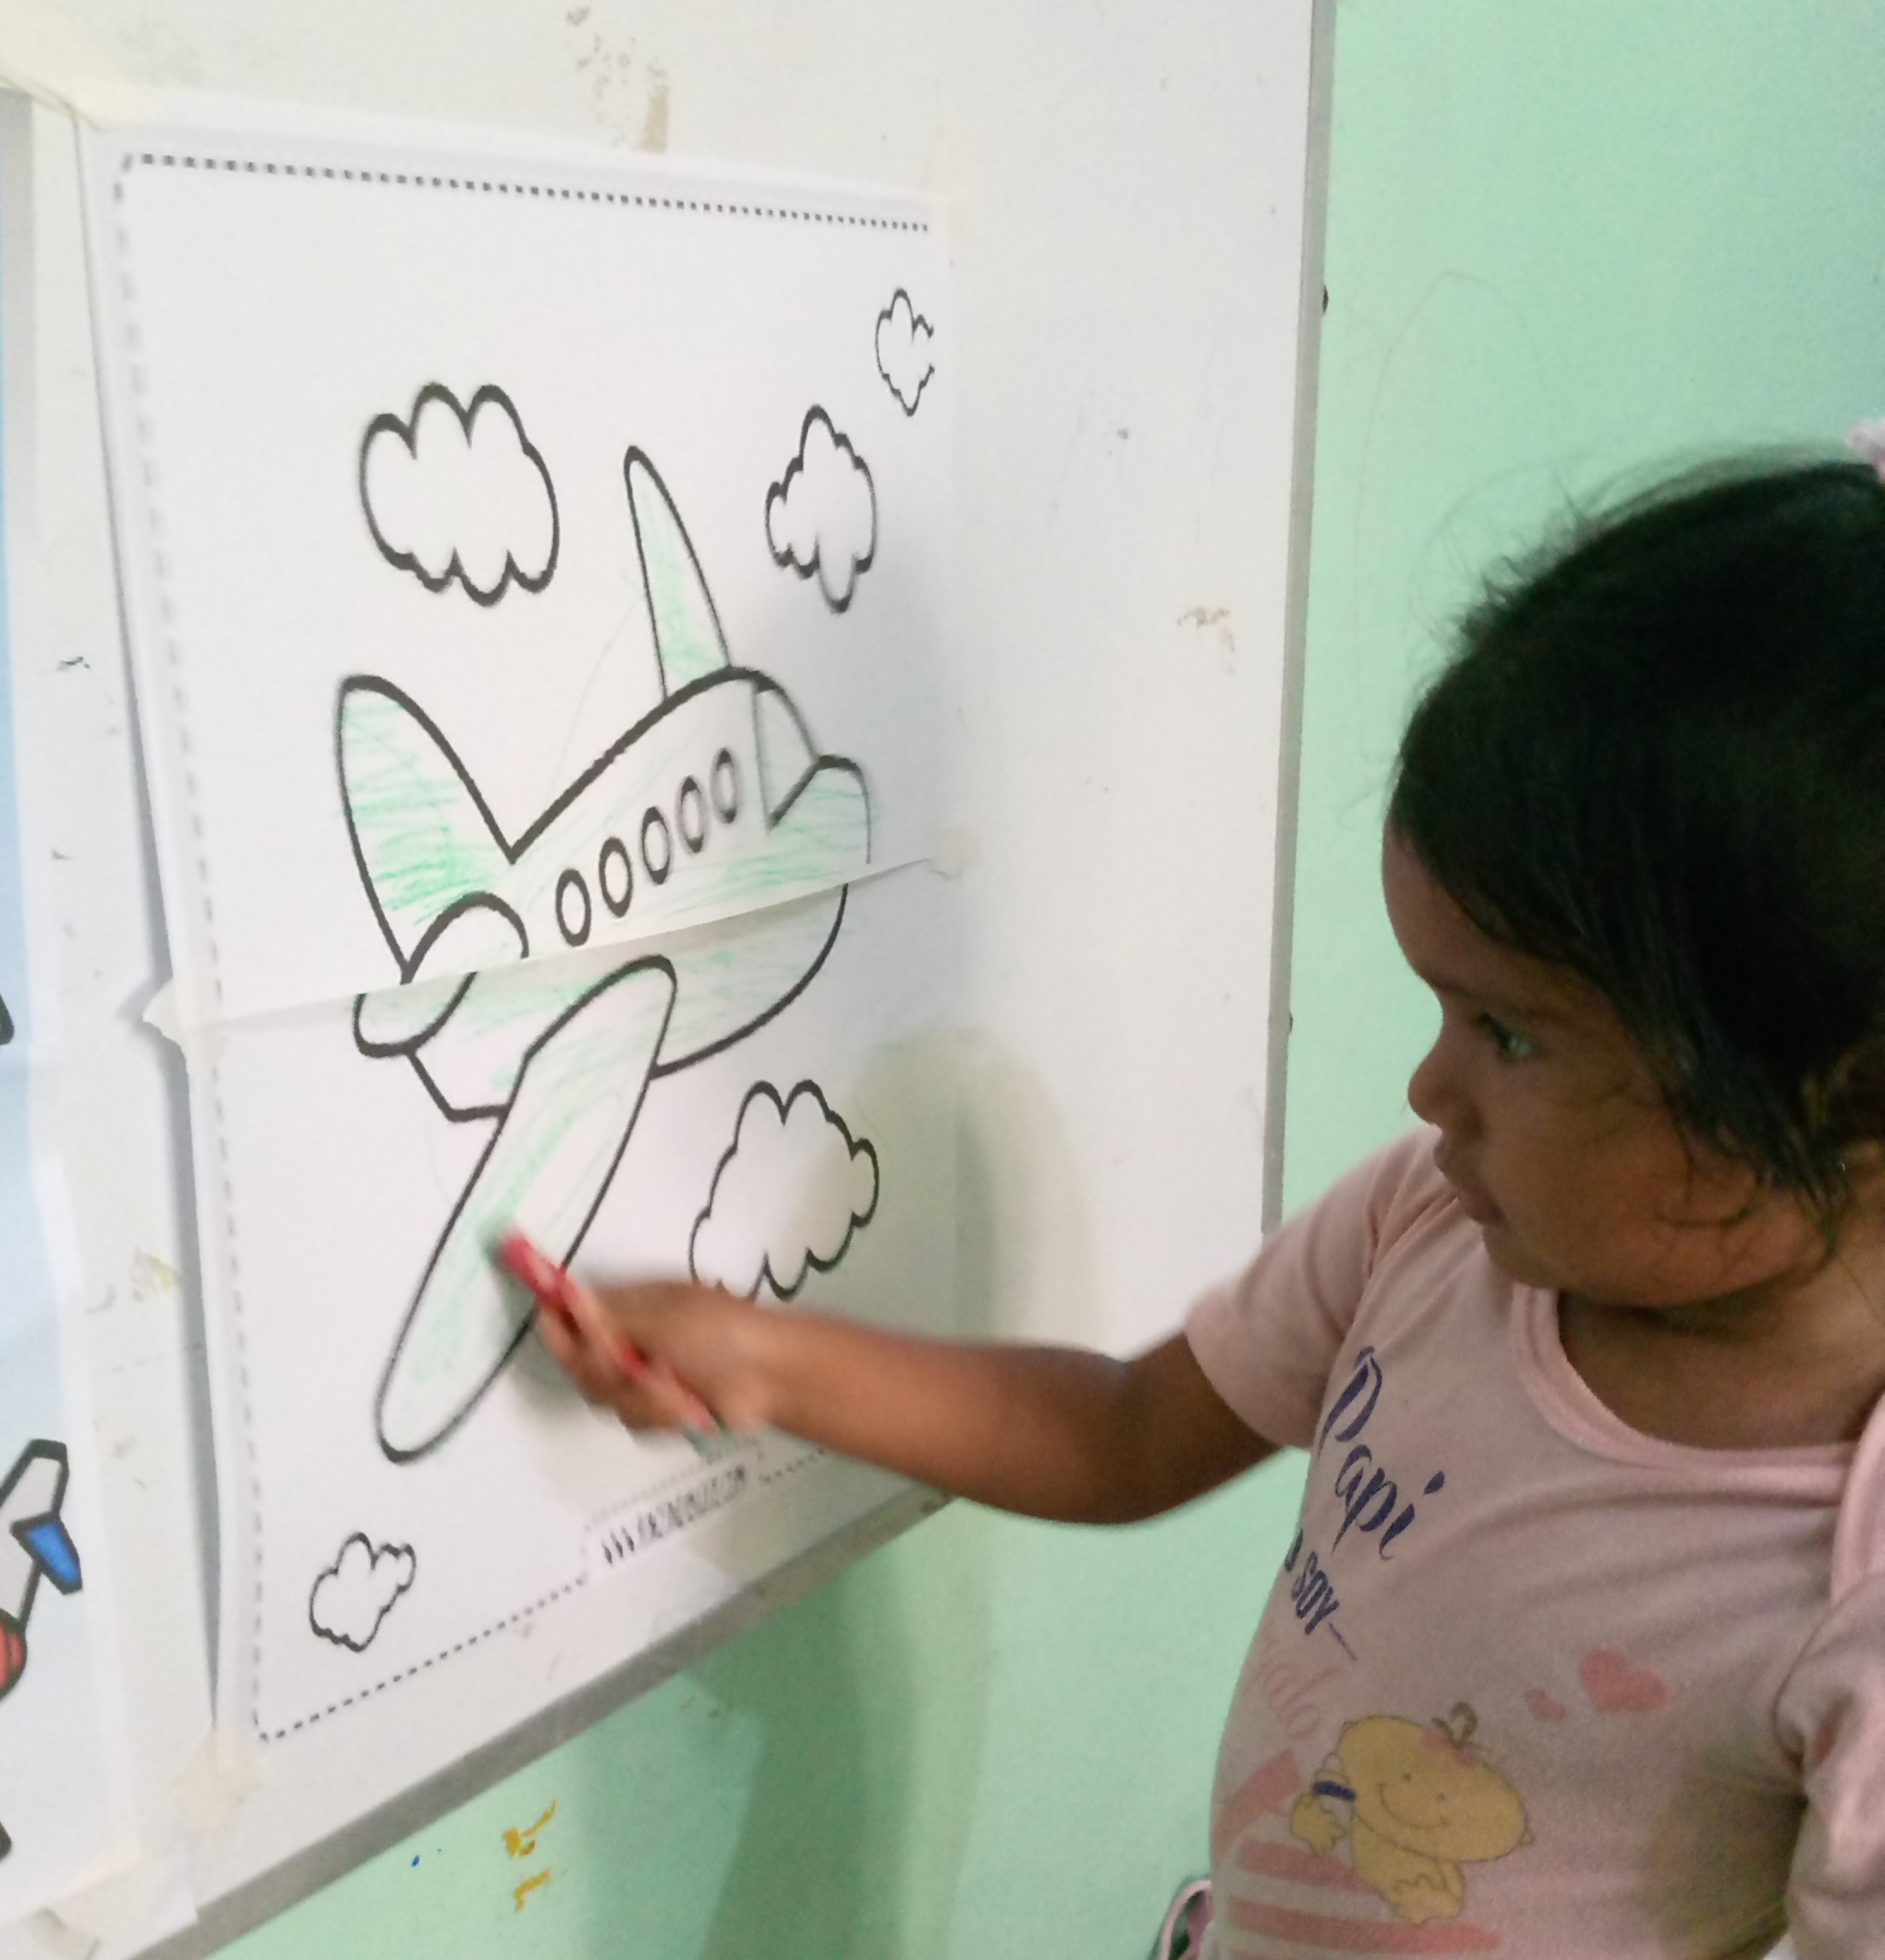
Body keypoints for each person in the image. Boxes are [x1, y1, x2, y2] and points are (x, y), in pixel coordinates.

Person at [532, 449, 1885, 1956]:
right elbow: (1124, 1433)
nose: (1429, 1089)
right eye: (1444, 1010)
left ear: (1835, 1097)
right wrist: (771, 1358)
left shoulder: (1845, 1575)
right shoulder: (1433, 1228)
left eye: (1509, 1034)